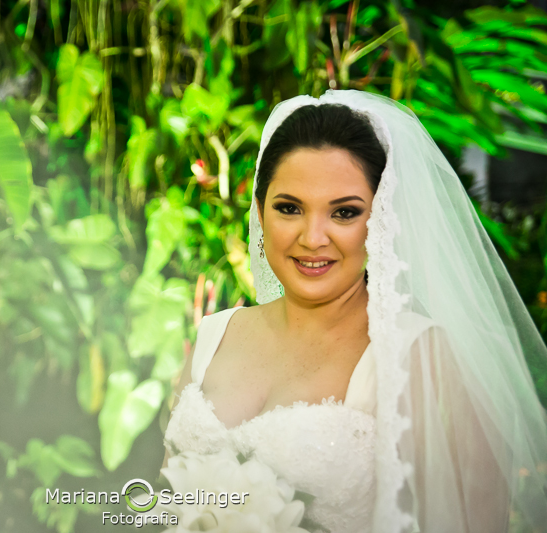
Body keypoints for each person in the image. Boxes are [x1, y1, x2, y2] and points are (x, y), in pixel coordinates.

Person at [161, 90, 547, 533]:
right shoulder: (214, 336)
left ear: (380, 220)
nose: (312, 237)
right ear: (260, 213)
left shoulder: (422, 356)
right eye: (289, 208)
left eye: (344, 213)